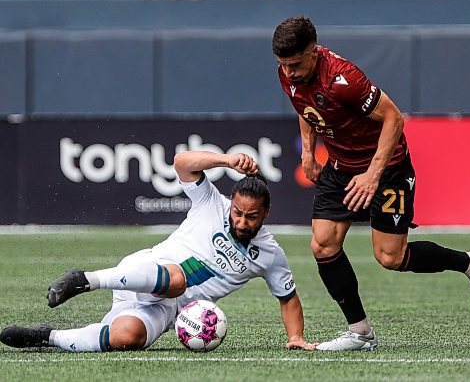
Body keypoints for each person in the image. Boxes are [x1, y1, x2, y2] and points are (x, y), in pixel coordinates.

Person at [272, 16, 470, 351]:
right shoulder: (288, 76)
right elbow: (305, 110)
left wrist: (373, 174)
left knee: (391, 257)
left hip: (387, 167)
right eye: (282, 65)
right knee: (323, 244)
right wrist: (308, 152)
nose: (288, 72)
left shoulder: (343, 78)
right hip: (340, 166)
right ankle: (360, 332)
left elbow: (394, 117)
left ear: (314, 52)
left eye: (294, 64)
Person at [0, 151, 316, 352]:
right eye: (237, 212)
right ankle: (85, 279)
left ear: (266, 214)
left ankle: (46, 337)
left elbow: (288, 298)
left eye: (251, 216)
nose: (242, 221)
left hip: (167, 309)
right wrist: (226, 161)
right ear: (230, 203)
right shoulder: (210, 202)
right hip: (146, 272)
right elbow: (181, 162)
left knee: (127, 337)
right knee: (178, 280)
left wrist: (295, 337)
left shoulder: (270, 254)